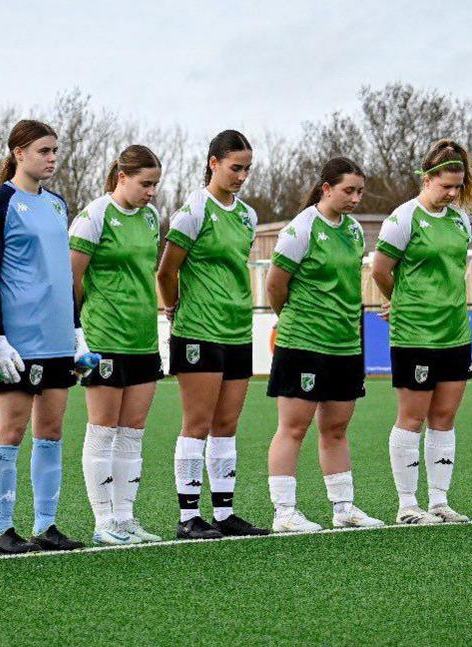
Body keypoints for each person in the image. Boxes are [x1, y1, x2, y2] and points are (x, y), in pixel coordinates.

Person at [0, 119, 94, 553]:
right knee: (10, 429)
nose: (50, 159)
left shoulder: (58, 204)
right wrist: (0, 334)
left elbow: (62, 273)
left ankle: (46, 525)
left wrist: (77, 330)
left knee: (51, 430)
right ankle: (2, 528)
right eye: (43, 151)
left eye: (54, 151)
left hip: (58, 338)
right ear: (18, 152)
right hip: (18, 340)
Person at [157, 130, 268, 539]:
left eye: (247, 169)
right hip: (198, 330)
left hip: (237, 330)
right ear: (213, 163)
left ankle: (224, 513)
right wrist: (173, 307)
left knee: (226, 424)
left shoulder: (247, 215)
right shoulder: (192, 212)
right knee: (197, 423)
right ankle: (189, 517)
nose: (241, 176)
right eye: (235, 167)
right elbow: (167, 270)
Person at [264, 157, 383, 533]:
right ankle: (284, 512)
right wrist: (297, 321)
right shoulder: (301, 229)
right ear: (326, 188)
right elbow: (274, 285)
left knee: (336, 429)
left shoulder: (352, 231)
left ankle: (343, 507)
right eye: (348, 190)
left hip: (345, 344)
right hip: (303, 342)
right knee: (294, 428)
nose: (355, 198)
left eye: (360, 191)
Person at [372, 141, 472, 525]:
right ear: (428, 178)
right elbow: (381, 270)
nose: (452, 193)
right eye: (446, 185)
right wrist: (399, 301)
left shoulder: (460, 220)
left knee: (444, 418)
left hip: (455, 332)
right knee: (411, 418)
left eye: (458, 186)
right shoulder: (403, 219)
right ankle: (406, 506)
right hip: (415, 334)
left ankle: (439, 502)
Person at [71, 145, 165, 545]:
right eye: (145, 184)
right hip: (104, 337)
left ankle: (126, 517)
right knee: (103, 429)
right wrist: (77, 337)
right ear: (121, 177)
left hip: (143, 338)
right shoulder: (94, 217)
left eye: (156, 185)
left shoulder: (151, 217)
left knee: (133, 432)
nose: (151, 192)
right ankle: (103, 521)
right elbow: (71, 280)